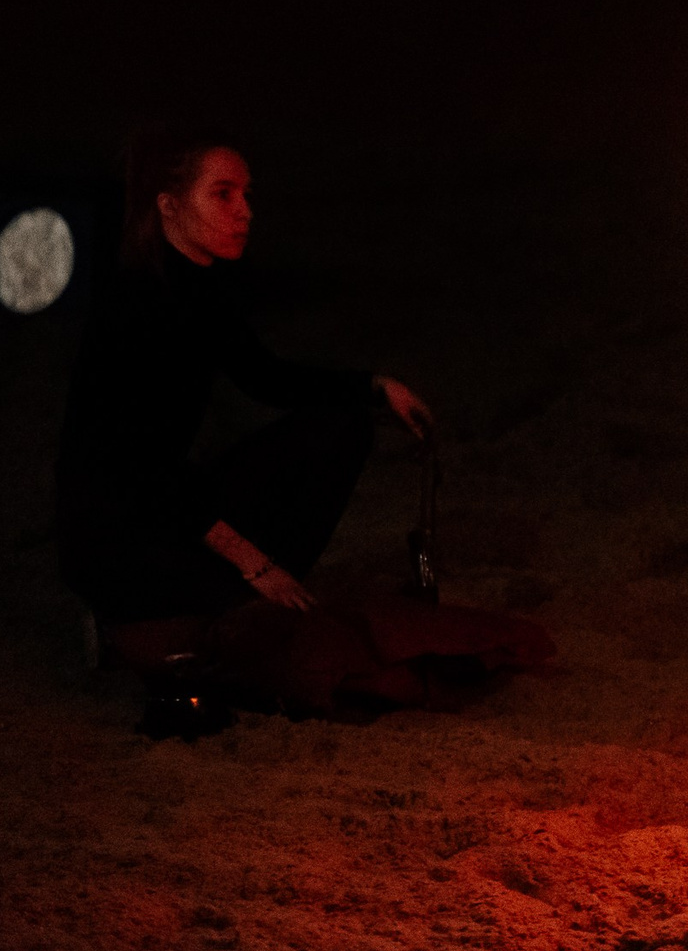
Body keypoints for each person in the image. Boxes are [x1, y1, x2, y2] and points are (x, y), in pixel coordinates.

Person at [56, 127, 434, 637]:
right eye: (222, 194)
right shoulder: (140, 306)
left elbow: (265, 377)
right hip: (118, 533)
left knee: (342, 427)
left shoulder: (199, 288)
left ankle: (230, 596)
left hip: (168, 505)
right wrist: (255, 564)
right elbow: (140, 471)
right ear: (169, 207)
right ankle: (142, 615)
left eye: (245, 194)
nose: (244, 211)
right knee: (230, 590)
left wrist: (375, 386)